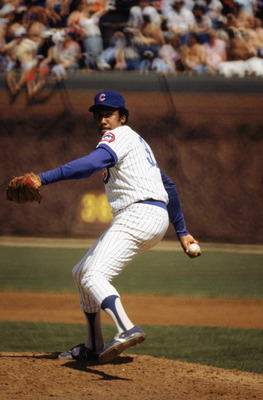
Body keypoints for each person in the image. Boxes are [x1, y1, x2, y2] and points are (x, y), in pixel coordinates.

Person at [12, 90, 201, 364]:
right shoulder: (136, 143)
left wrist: (43, 178)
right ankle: (93, 345)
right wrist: (182, 232)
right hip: (147, 215)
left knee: (93, 276)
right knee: (81, 273)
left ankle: (126, 328)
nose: (102, 119)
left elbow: (90, 164)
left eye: (108, 114)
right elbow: (168, 185)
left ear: (122, 117)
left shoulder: (119, 136)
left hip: (139, 212)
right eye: (98, 114)